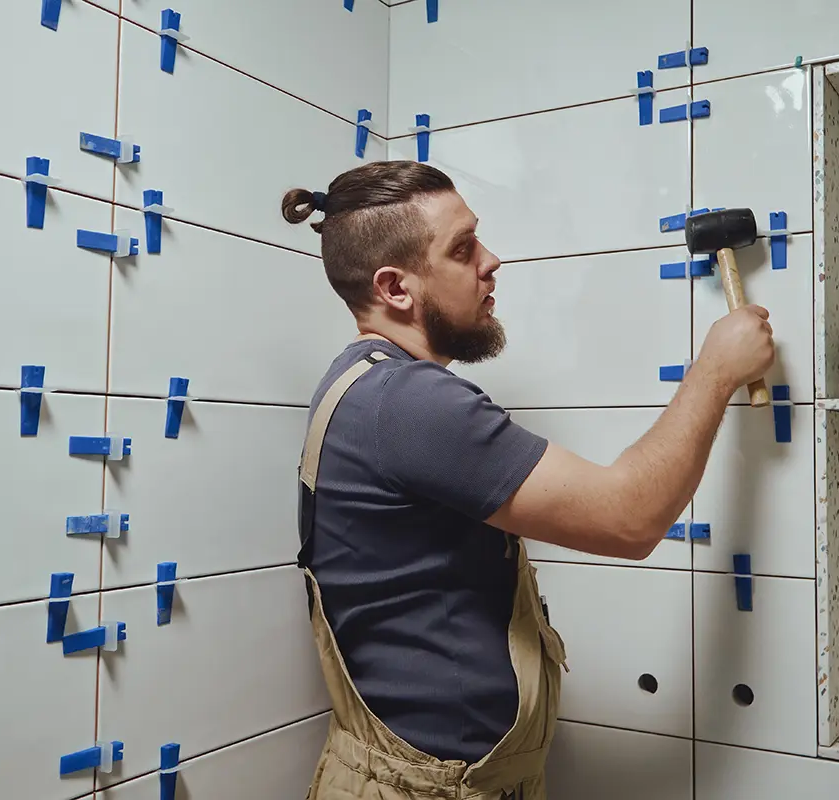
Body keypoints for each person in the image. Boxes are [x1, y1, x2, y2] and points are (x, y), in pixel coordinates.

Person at [281, 160, 774, 800]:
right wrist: (715, 369)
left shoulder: (372, 384)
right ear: (395, 288)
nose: (491, 261)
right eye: (462, 249)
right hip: (427, 789)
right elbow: (629, 519)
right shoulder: (408, 404)